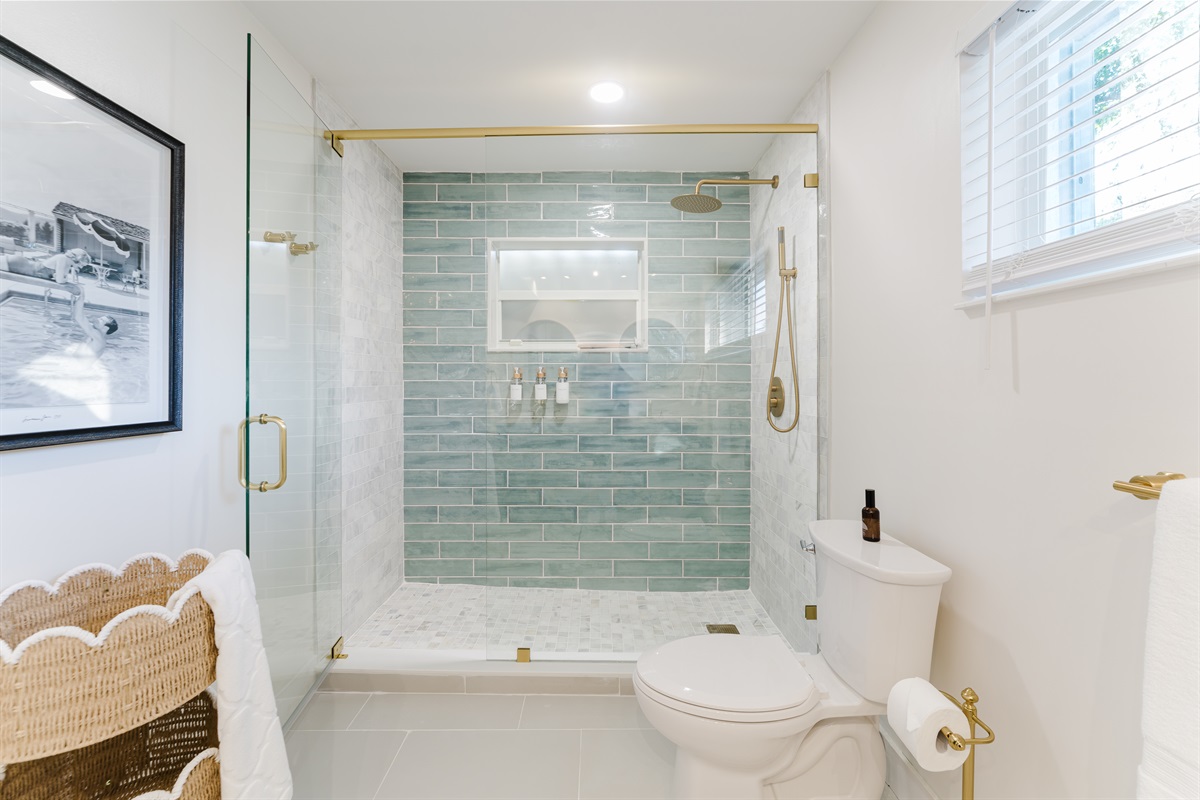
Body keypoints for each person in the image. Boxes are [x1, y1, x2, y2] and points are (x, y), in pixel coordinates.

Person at [1, 248, 91, 283]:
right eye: (82, 265)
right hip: (17, 264)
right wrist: (62, 278)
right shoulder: (62, 259)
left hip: (20, 266)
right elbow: (60, 280)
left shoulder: (67, 265)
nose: (82, 267)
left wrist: (62, 277)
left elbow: (62, 278)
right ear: (77, 260)